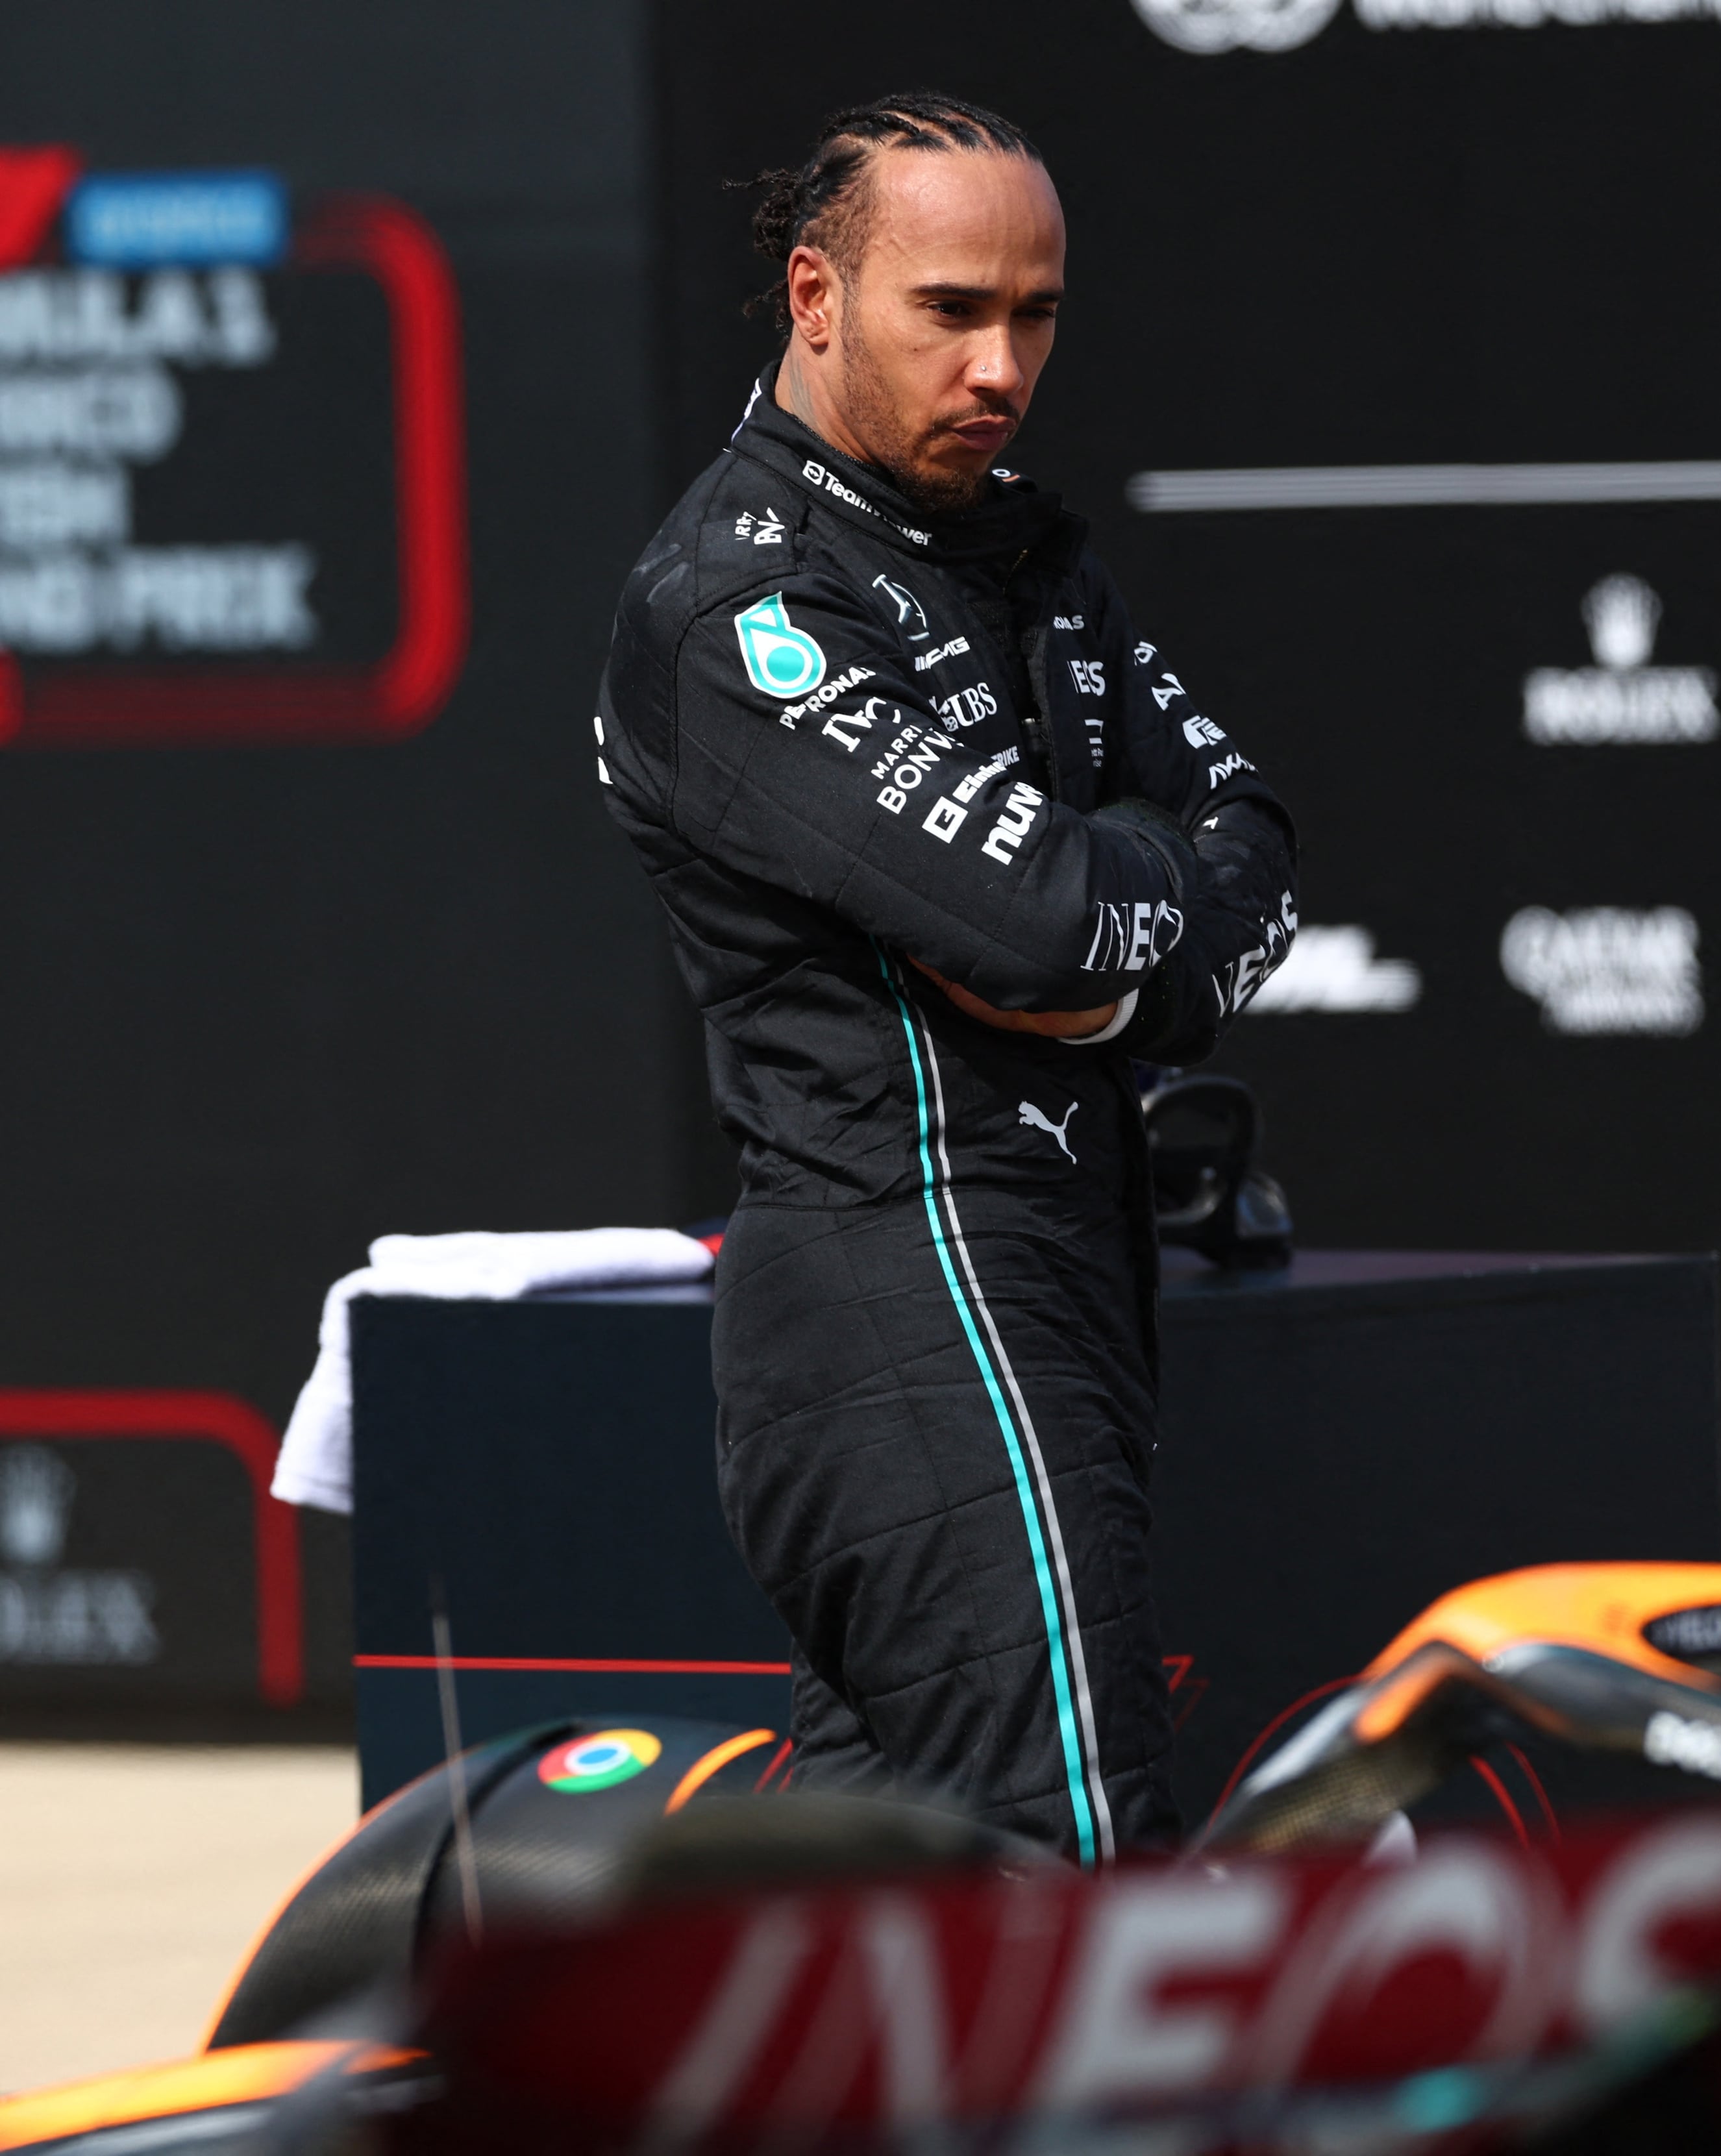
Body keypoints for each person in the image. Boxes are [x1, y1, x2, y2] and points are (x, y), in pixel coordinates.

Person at [595, 91, 1298, 1862]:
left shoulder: (1031, 553)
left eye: (1036, 315)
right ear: (817, 299)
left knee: (900, 1900)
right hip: (905, 1284)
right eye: (952, 311)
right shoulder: (734, 604)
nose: (1002, 365)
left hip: (1054, 1270)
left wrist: (1124, 975)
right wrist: (1122, 922)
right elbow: (1043, 924)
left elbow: (1248, 838)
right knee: (1071, 1858)